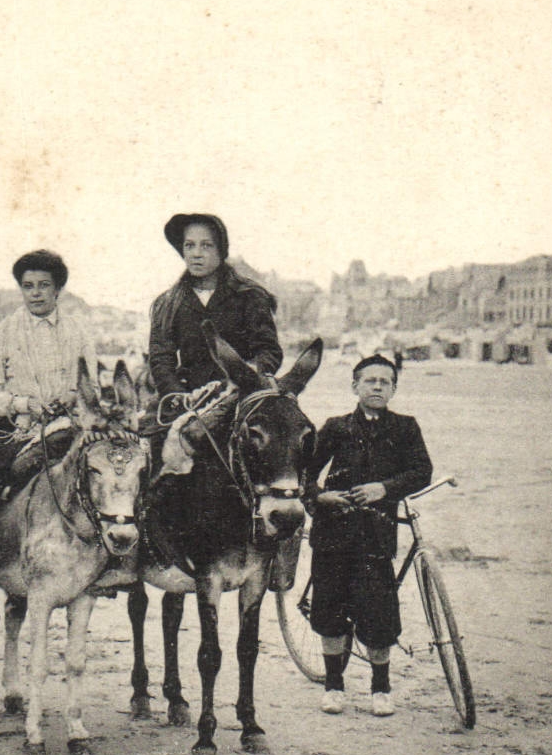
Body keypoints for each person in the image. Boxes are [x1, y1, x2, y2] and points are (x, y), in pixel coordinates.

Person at [0, 250, 97, 614]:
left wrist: (71, 396)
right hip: (16, 426)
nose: (35, 294)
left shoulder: (79, 332)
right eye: (28, 286)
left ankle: (109, 564)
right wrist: (23, 404)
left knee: (110, 470)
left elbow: (89, 384)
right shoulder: (1, 333)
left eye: (43, 286)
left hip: (68, 423)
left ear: (58, 289)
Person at [144, 213, 285, 564]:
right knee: (147, 452)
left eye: (206, 245)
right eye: (189, 246)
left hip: (242, 394)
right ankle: (153, 545)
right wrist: (177, 394)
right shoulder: (168, 303)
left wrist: (251, 371)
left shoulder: (250, 296)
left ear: (221, 250)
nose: (196, 253)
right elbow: (160, 359)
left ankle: (280, 553)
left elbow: (270, 349)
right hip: (189, 400)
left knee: (284, 449)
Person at [304, 353, 433, 717]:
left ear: (393, 389)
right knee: (330, 609)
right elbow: (304, 473)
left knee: (378, 613)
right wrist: (319, 496)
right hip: (332, 533)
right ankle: (333, 686)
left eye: (385, 382)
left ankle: (381, 687)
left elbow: (421, 471)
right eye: (370, 381)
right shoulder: (335, 427)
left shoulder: (405, 428)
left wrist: (384, 488)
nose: (377, 387)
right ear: (355, 387)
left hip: (376, 535)